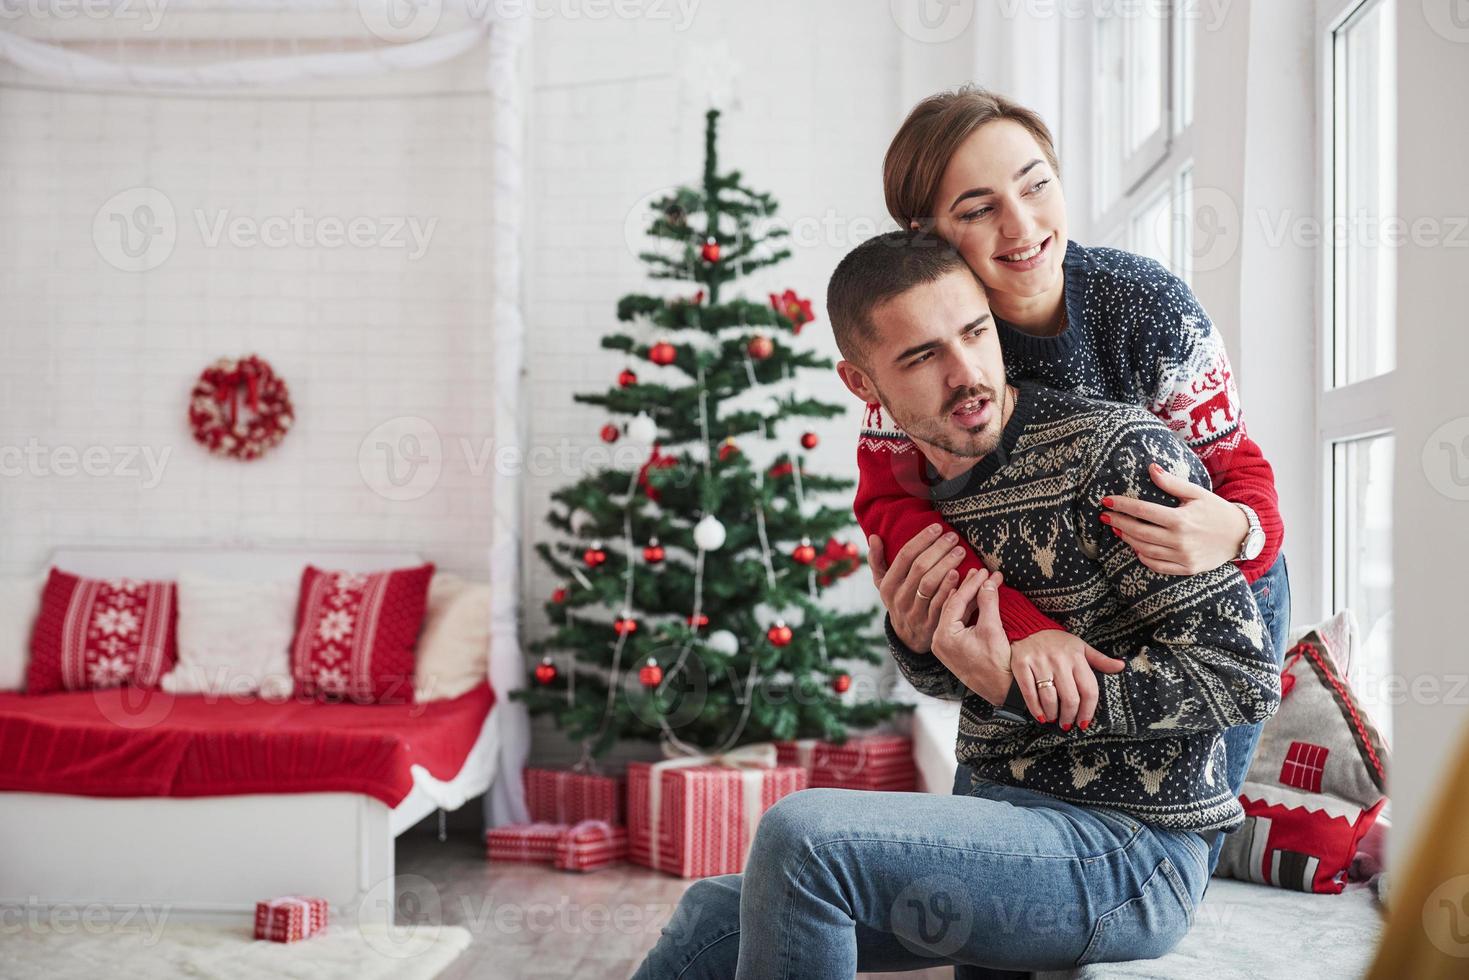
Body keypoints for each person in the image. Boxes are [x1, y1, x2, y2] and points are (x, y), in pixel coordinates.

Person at [630, 231, 1281, 979]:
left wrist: (1021, 684)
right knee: (712, 914)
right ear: (861, 383)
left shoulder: (1115, 452)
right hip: (1006, 822)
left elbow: (1241, 677)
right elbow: (957, 680)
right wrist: (918, 644)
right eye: (920, 356)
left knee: (803, 836)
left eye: (974, 333)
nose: (965, 373)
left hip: (1132, 853)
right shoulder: (928, 505)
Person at [863, 86, 1290, 883]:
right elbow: (897, 516)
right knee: (984, 869)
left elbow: (1237, 462)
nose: (1021, 226)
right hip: (1037, 616)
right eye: (976, 207)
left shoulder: (1145, 305)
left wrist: (1236, 530)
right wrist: (1022, 635)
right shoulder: (926, 343)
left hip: (1203, 600)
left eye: (1035, 185)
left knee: (1175, 833)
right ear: (925, 232)